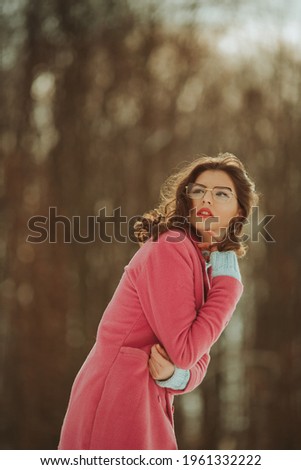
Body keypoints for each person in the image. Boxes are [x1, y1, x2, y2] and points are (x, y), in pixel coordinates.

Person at [58, 152, 258, 450]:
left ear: (239, 213)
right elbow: (186, 351)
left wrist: (176, 377)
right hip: (117, 399)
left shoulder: (196, 260)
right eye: (199, 190)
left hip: (145, 398)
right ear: (186, 199)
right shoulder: (170, 248)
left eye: (221, 194)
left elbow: (199, 359)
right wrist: (228, 287)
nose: (207, 200)